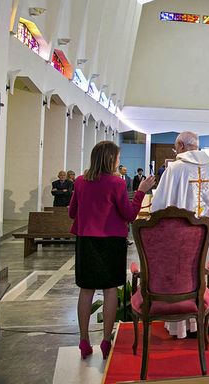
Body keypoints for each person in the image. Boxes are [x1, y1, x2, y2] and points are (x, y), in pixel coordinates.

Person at [69, 141, 155, 360]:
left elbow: (72, 213)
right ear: (110, 159)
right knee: (109, 291)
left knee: (85, 290)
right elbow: (130, 215)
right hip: (111, 243)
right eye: (117, 157)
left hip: (86, 241)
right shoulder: (116, 183)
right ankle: (106, 341)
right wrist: (140, 192)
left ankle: (84, 340)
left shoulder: (80, 182)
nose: (119, 161)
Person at [150, 131, 209, 334]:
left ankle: (182, 325)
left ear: (180, 145)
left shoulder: (174, 170)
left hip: (180, 242)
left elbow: (158, 208)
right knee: (208, 269)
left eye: (175, 146)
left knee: (183, 273)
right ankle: (208, 320)